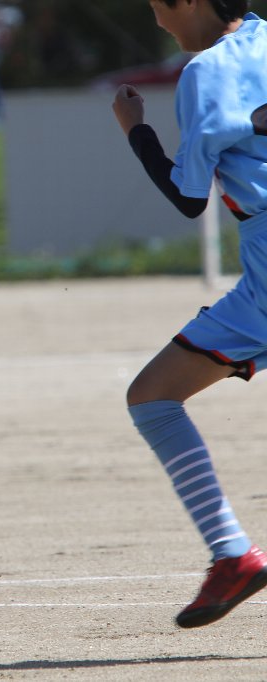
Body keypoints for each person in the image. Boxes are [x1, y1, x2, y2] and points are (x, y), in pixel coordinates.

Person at [113, 0, 267, 629]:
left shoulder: (204, 73)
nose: (156, 19)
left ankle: (232, 554)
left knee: (152, 397)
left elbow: (187, 197)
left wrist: (135, 130)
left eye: (160, 4)